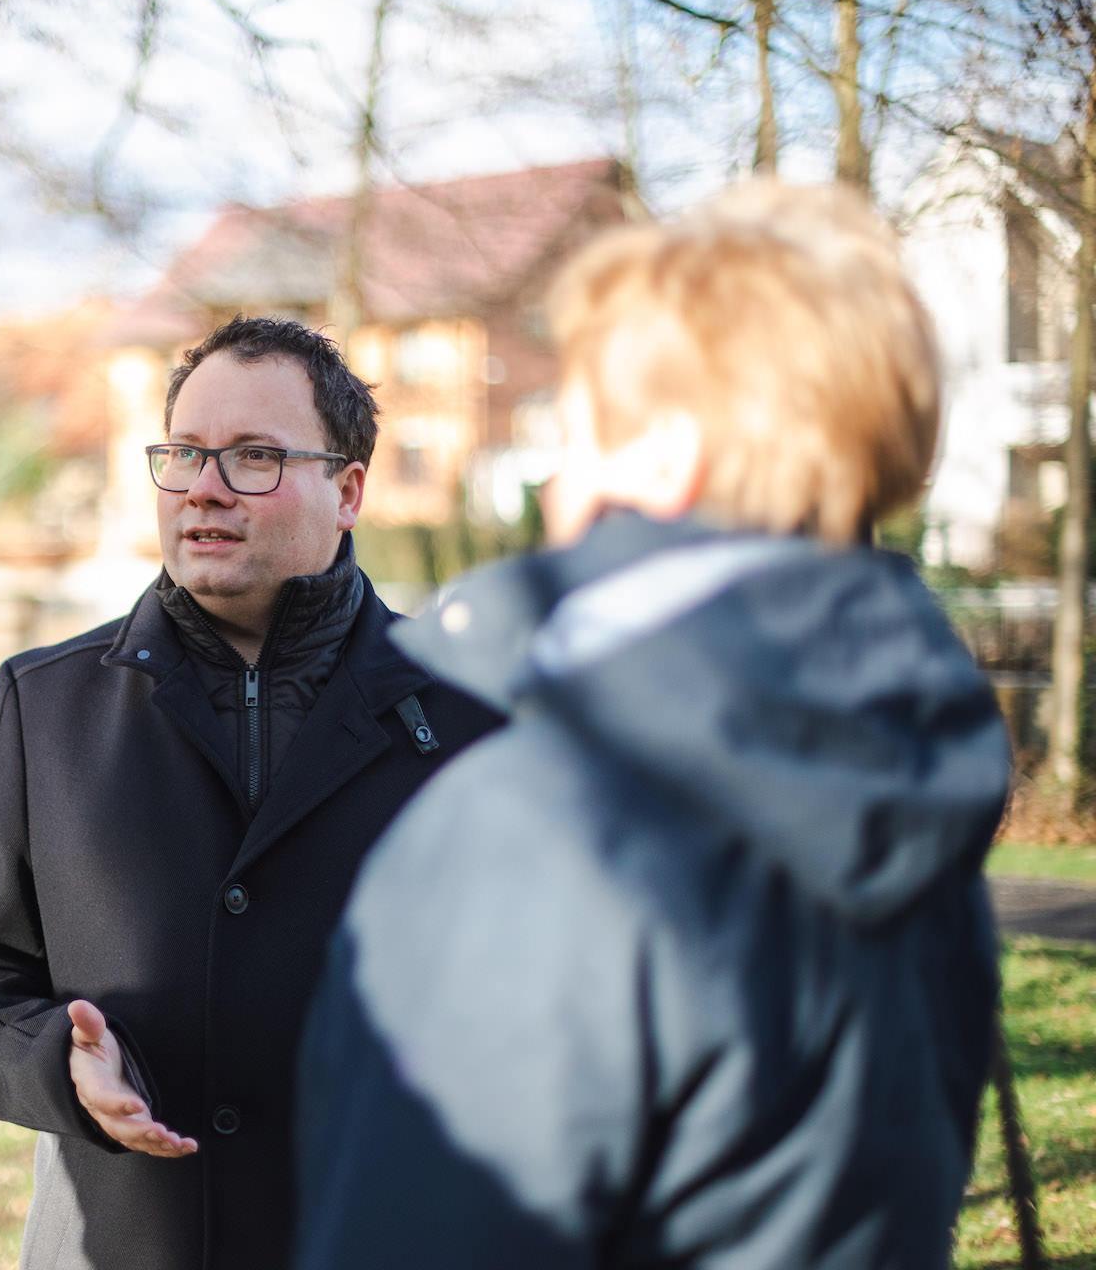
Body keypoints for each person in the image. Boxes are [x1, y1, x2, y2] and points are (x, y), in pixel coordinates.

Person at [293, 180, 1011, 1269]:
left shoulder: (546, 828)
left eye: (574, 433)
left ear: (668, 450)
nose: (554, 487)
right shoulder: (908, 784)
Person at [0, 316, 501, 1270]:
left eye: (254, 458)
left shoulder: (466, 716)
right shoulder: (47, 706)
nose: (204, 489)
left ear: (348, 489)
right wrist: (56, 1068)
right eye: (186, 454)